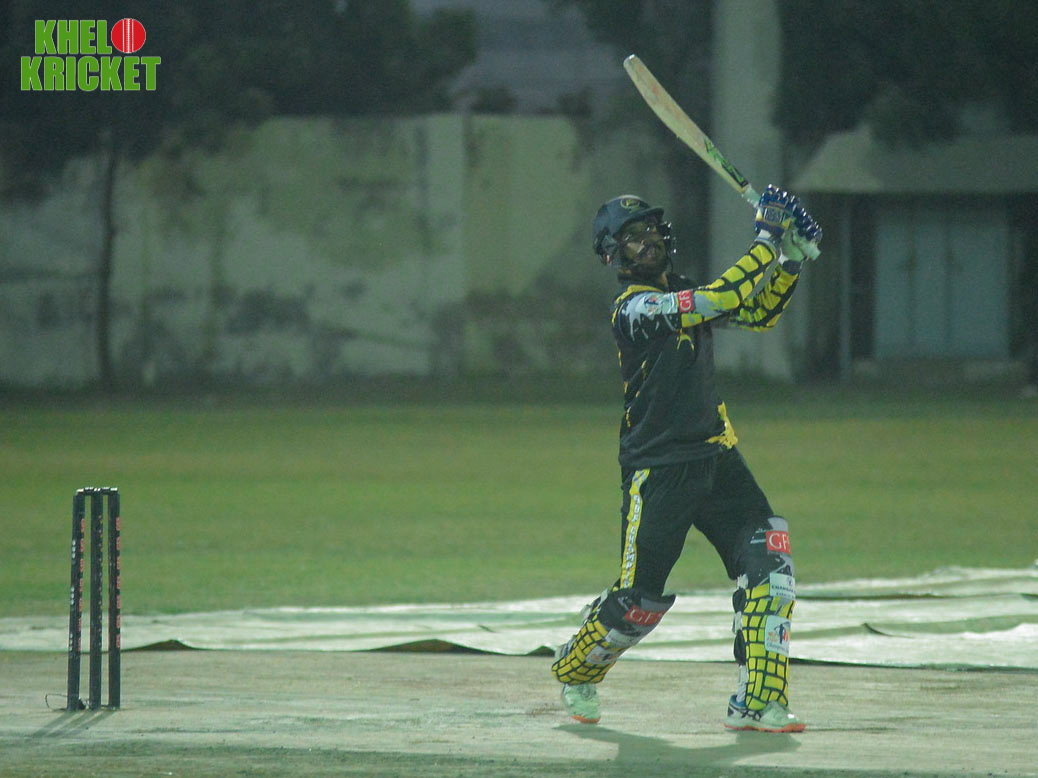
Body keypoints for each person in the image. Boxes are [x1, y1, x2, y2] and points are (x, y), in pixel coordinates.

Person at [550, 186, 822, 733]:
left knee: (770, 570)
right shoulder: (634, 310)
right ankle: (575, 669)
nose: (646, 241)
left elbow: (756, 313)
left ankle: (758, 702)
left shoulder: (681, 289)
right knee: (639, 603)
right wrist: (767, 240)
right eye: (631, 237)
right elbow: (722, 297)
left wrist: (790, 260)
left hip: (717, 456)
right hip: (658, 469)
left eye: (650, 229)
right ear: (612, 256)